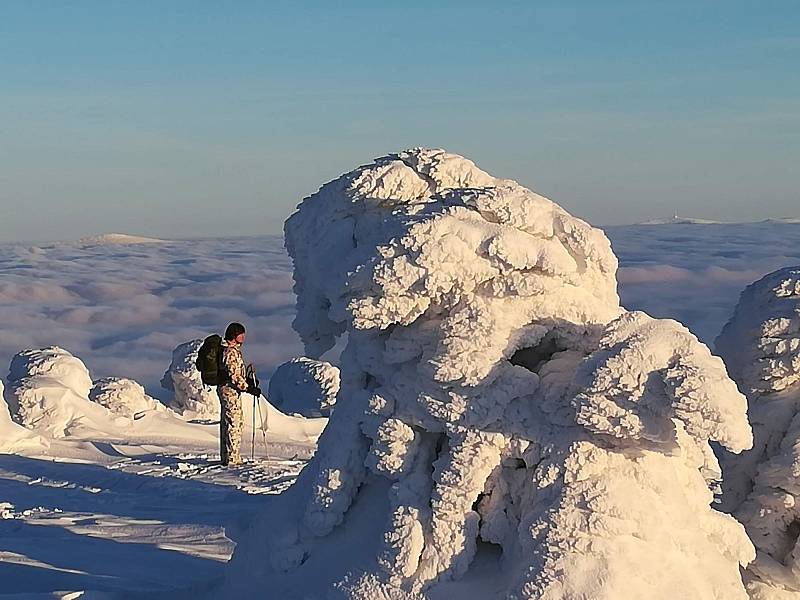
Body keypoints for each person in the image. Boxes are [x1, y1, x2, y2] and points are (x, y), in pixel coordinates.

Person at [218, 322, 249, 466]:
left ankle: (227, 456)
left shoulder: (229, 350)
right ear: (234, 335)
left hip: (227, 390)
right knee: (234, 423)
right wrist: (247, 387)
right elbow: (234, 375)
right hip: (230, 391)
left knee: (227, 422)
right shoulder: (230, 352)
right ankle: (232, 458)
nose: (243, 336)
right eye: (240, 333)